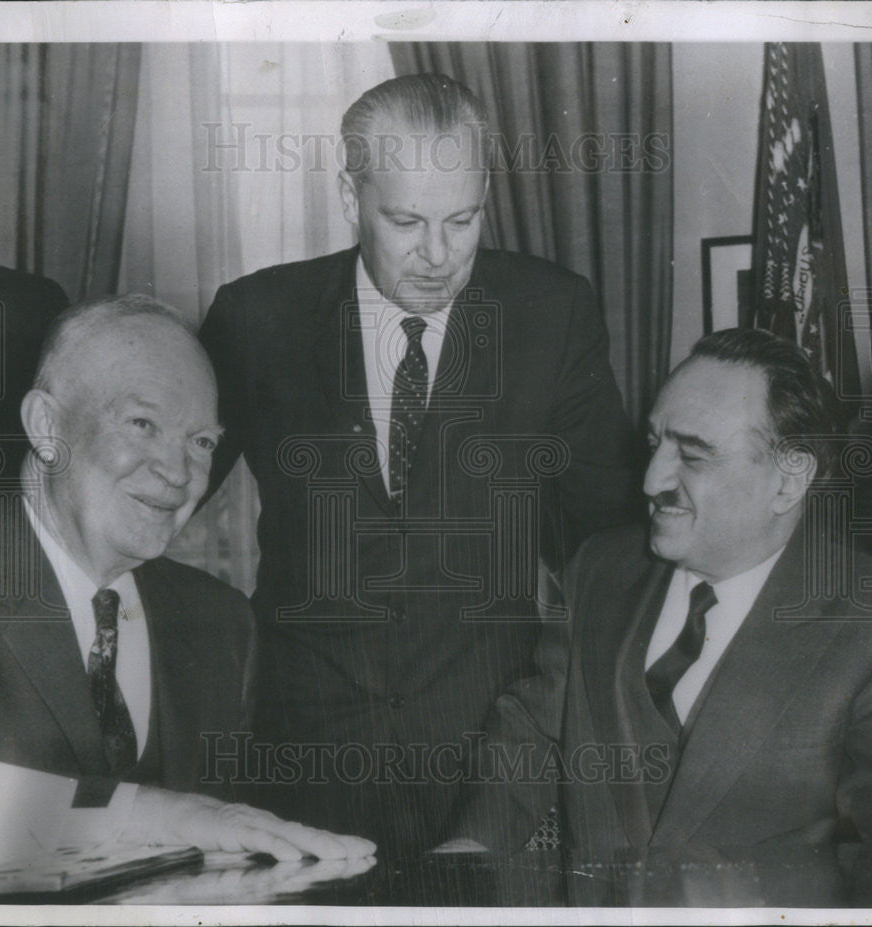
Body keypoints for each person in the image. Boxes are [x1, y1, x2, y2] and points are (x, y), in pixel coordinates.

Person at [199, 73, 637, 855]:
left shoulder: (552, 315)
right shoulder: (256, 317)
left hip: (491, 769)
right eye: (405, 221)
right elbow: (161, 491)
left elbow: (611, 547)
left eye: (462, 220)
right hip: (303, 767)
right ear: (349, 195)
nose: (438, 256)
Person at [447, 328, 872, 907]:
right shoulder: (600, 568)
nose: (651, 481)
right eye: (655, 443)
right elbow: (532, 731)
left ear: (789, 479)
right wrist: (469, 851)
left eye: (691, 456)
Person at [0, 295, 374, 861]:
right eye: (142, 424)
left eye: (201, 442)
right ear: (46, 426)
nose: (178, 474)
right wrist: (149, 815)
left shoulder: (220, 623)